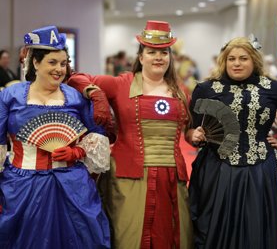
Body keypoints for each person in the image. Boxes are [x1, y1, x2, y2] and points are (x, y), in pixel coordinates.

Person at [68, 20, 194, 249]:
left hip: (172, 179)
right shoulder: (121, 84)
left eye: (164, 52)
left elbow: (190, 130)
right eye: (152, 52)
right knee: (129, 237)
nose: (158, 57)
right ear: (141, 56)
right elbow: (75, 77)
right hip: (128, 178)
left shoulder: (182, 91)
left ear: (170, 57)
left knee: (174, 236)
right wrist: (94, 93)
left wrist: (196, 135)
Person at [0, 26, 111, 249]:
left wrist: (76, 151)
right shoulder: (9, 96)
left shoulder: (75, 97)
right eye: (52, 62)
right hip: (22, 185)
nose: (59, 69)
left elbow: (97, 134)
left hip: (72, 184)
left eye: (63, 63)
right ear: (35, 63)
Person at [185, 35, 277, 249]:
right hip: (216, 168)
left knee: (256, 225)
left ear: (254, 60)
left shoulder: (272, 88)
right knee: (211, 224)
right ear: (224, 61)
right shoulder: (206, 88)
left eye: (243, 58)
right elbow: (189, 127)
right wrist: (193, 135)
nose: (237, 63)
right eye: (232, 59)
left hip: (260, 169)